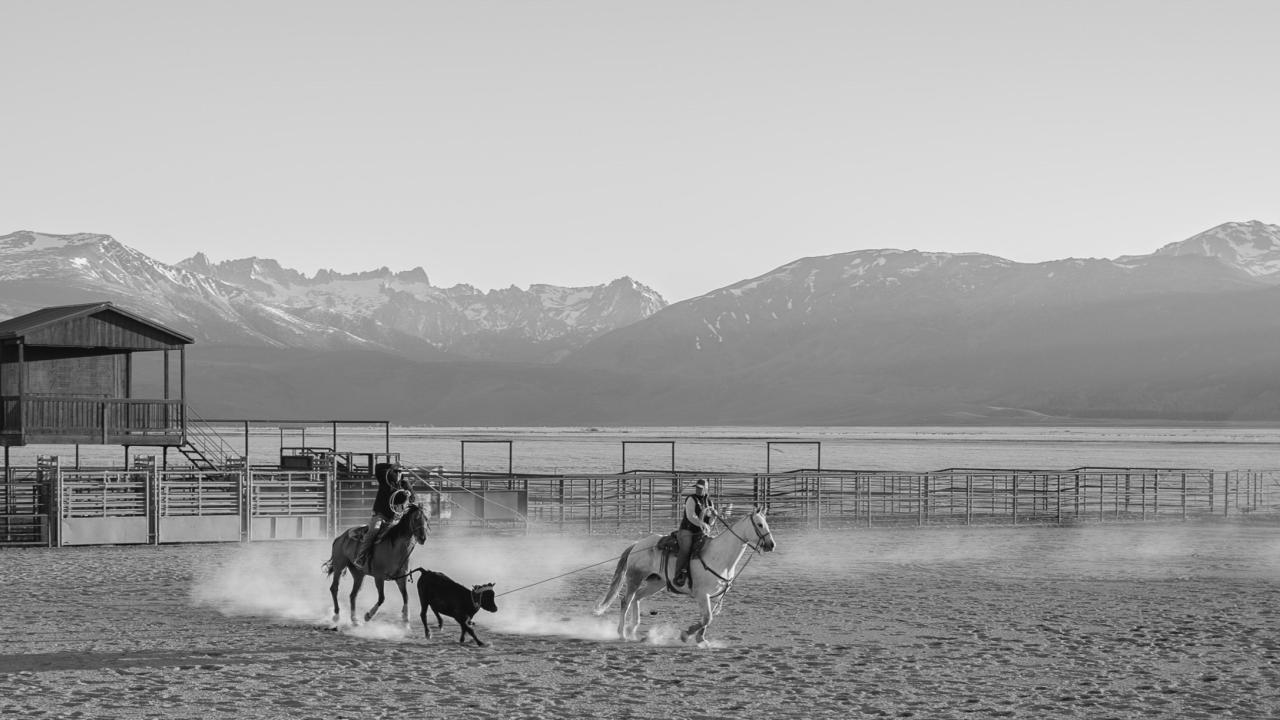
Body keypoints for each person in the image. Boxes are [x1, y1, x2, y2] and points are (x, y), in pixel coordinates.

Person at [354, 463, 411, 571]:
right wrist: (392, 465)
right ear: (391, 472)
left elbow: (409, 498)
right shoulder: (385, 480)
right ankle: (361, 557)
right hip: (380, 515)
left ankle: (402, 560)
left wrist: (408, 494)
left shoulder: (404, 484)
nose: (398, 474)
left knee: (405, 534)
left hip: (395, 518)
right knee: (373, 531)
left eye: (400, 471)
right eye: (396, 471)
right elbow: (378, 467)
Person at [674, 478, 719, 587]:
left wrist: (713, 516)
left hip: (701, 533)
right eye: (697, 488)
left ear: (706, 489)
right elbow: (691, 516)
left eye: (700, 488)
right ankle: (678, 574)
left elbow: (710, 522)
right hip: (687, 530)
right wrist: (702, 524)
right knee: (686, 548)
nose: (698, 490)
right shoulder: (691, 499)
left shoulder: (709, 502)